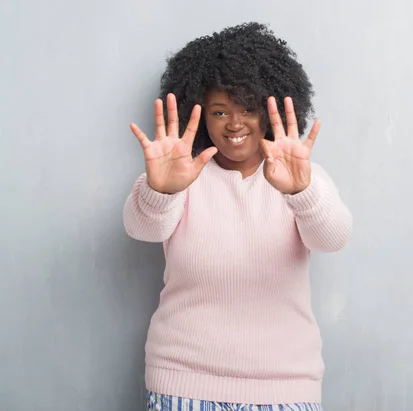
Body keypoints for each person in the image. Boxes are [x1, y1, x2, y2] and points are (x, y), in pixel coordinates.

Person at [123, 22, 352, 410]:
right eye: (219, 111)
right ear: (200, 114)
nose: (234, 124)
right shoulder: (181, 174)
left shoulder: (298, 176)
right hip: (183, 386)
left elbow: (333, 238)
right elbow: (141, 228)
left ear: (271, 109)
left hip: (285, 390)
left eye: (247, 108)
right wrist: (163, 190)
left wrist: (302, 193)